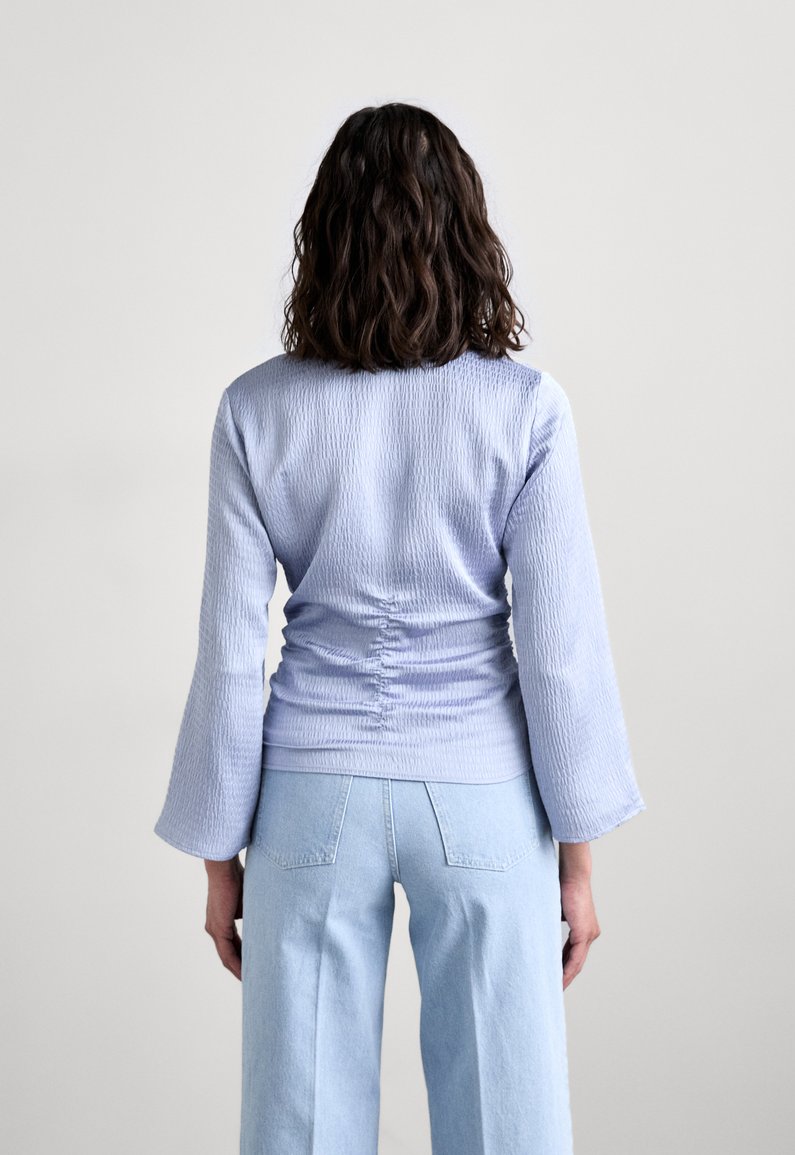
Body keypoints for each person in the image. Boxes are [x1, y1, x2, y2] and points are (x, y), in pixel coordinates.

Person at [154, 101, 647, 1155]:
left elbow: (232, 656)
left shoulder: (255, 409)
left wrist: (217, 857)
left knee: (300, 1127)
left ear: (324, 238)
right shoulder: (525, 407)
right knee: (507, 1124)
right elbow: (558, 653)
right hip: (482, 794)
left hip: (308, 795)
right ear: (466, 234)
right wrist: (578, 858)